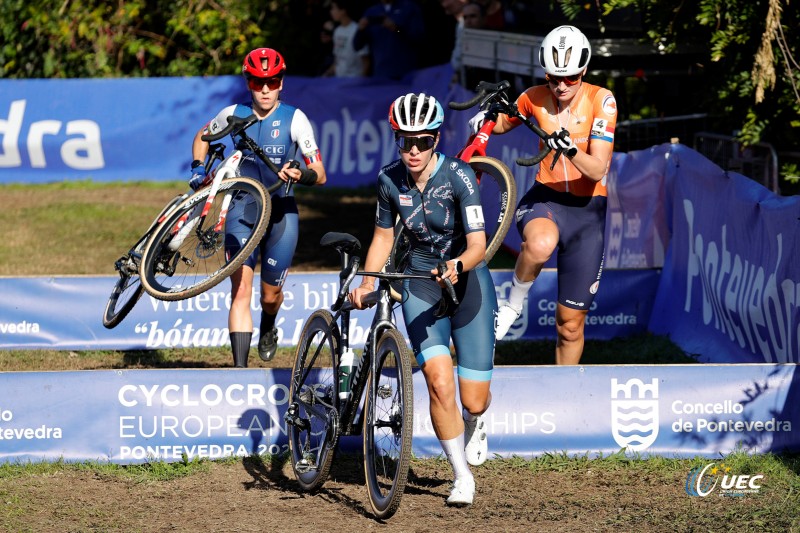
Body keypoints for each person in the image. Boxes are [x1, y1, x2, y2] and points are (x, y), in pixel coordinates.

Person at [349, 93, 497, 506]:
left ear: (436, 140)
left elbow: (478, 245)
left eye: (423, 142)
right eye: (405, 141)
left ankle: (477, 418)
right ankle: (461, 477)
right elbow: (381, 237)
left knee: (474, 398)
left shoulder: (460, 176)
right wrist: (367, 281)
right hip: (420, 281)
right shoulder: (388, 179)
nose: (413, 151)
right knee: (437, 378)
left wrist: (459, 265)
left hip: (467, 281)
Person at [474, 25, 617, 364]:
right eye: (554, 78)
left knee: (569, 326)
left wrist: (569, 149)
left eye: (570, 78)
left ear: (583, 71)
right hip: (546, 199)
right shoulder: (534, 96)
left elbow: (597, 169)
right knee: (539, 246)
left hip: (588, 210)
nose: (561, 86)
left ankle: (563, 393)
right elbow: (504, 122)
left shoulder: (602, 100)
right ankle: (513, 302)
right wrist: (484, 119)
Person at [188, 47, 327, 368]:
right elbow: (202, 136)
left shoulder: (295, 118)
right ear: (248, 82)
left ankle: (268, 324)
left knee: (269, 296)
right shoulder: (233, 113)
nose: (265, 89)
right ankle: (240, 371)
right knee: (241, 289)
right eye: (257, 82)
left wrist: (301, 173)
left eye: (273, 81)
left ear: (281, 82)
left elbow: (320, 174)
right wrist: (197, 167)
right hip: (242, 209)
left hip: (281, 212)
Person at [354, 0, 424, 80]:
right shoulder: (371, 11)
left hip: (406, 72)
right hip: (381, 74)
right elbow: (357, 45)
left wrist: (396, 29)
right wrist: (361, 30)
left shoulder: (409, 7)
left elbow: (419, 37)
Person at [327, 0, 370, 77]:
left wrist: (361, 83)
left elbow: (366, 62)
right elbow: (337, 60)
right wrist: (326, 75)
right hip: (339, 81)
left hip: (354, 80)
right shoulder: (337, 31)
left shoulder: (357, 30)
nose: (331, 11)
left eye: (334, 8)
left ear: (343, 11)